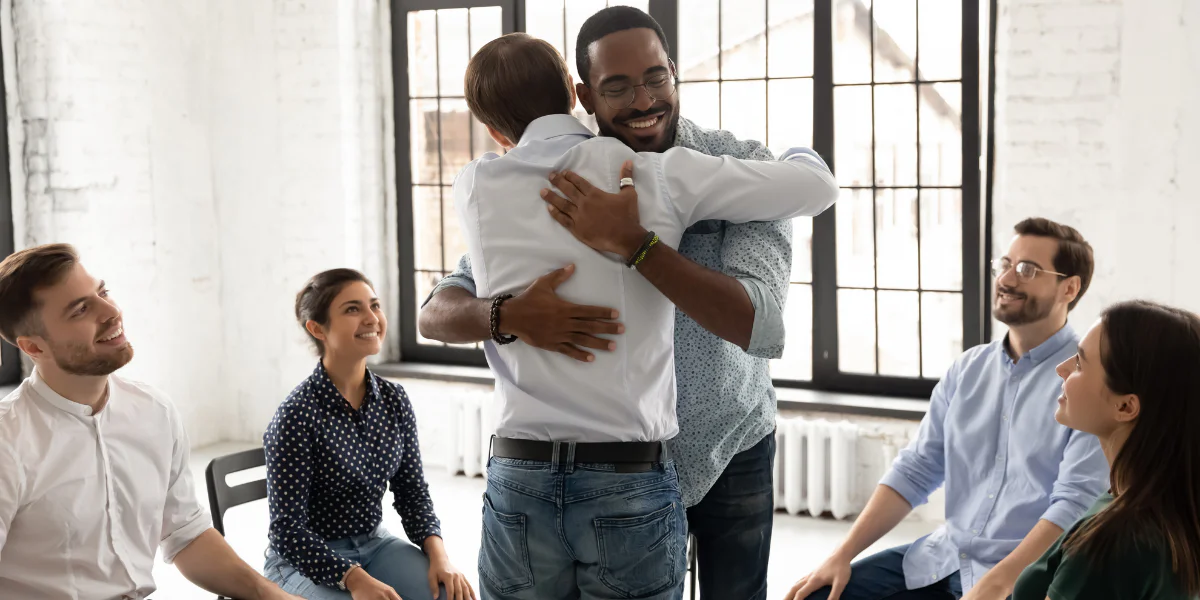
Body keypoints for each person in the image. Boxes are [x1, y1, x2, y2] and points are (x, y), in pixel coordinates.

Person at [419, 7, 798, 598]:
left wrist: (637, 246)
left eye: (655, 77)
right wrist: (506, 315)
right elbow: (439, 307)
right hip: (613, 467)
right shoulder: (558, 179)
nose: (643, 100)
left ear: (674, 72)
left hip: (727, 444)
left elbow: (763, 327)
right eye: (616, 87)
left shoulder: (735, 168)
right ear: (583, 97)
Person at [785, 218, 1110, 600]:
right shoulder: (967, 369)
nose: (1007, 279)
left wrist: (999, 582)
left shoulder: (1085, 382)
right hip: (942, 557)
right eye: (1005, 264)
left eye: (1027, 270)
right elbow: (917, 468)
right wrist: (841, 554)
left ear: (1069, 287)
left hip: (1021, 576)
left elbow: (1074, 504)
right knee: (817, 595)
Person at [0, 243, 298, 600]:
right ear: (33, 348)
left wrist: (274, 595)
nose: (112, 312)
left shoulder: (154, 410)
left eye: (103, 292)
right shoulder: (8, 442)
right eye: (81, 310)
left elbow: (186, 534)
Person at [263, 269, 474, 600]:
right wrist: (353, 578)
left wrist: (440, 556)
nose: (371, 318)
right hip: (303, 561)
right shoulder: (296, 415)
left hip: (375, 544)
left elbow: (412, 492)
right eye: (352, 309)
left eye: (374, 306)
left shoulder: (394, 400)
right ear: (317, 328)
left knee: (449, 593)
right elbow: (287, 532)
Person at [1010, 300, 1200, 599]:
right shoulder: (1164, 504)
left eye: (1079, 363)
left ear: (1125, 406)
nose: (1061, 369)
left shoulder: (1109, 545)